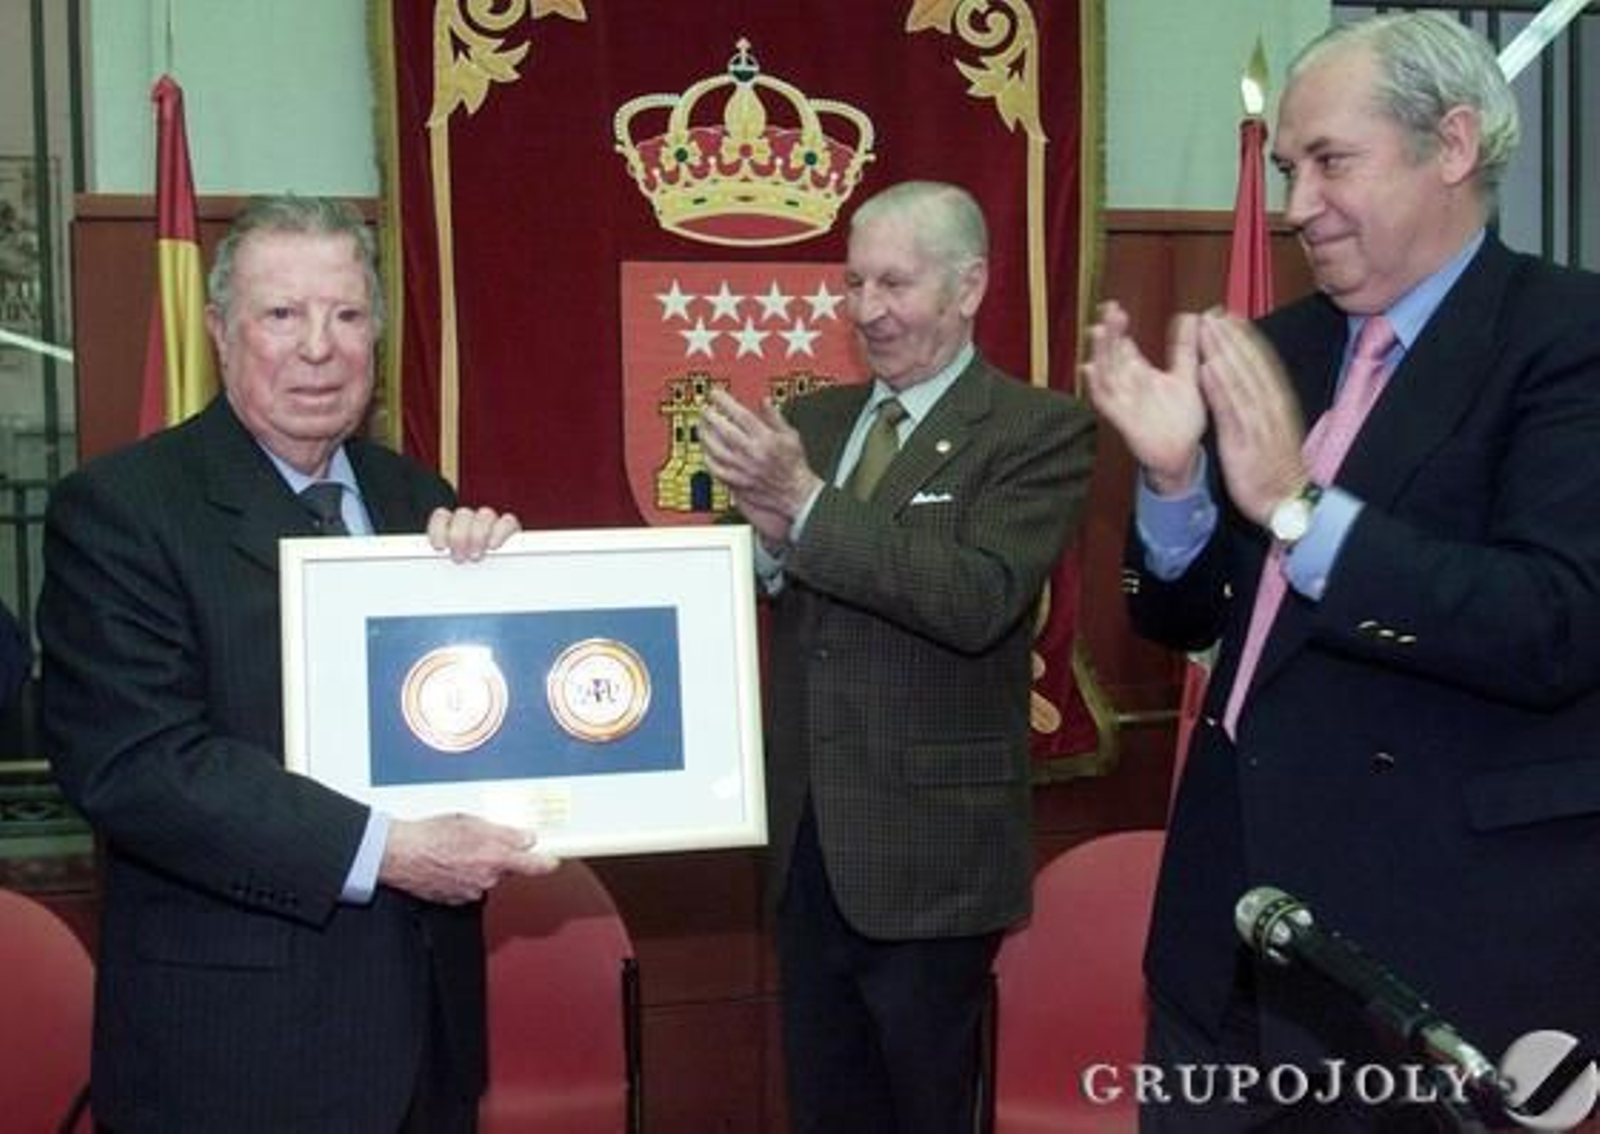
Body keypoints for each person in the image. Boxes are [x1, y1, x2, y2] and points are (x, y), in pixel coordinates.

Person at [1085, 13, 1600, 1129]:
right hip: (1220, 934)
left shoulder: (1568, 338)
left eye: (1331, 163)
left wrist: (1297, 512)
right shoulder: (1281, 347)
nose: (1296, 205)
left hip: (1433, 953)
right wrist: (1173, 485)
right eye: (1285, 169)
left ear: (1451, 146)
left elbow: (1551, 624)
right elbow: (1184, 618)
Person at [39, 195, 556, 1133]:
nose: (319, 346)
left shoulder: (420, 503)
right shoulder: (123, 510)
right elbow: (139, 766)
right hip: (236, 1059)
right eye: (282, 315)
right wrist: (388, 851)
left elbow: (466, 730)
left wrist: (498, 608)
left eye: (348, 314)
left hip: (426, 1047)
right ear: (220, 333)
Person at [699, 180, 1096, 1134]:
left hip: (934, 860)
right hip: (806, 847)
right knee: (826, 1107)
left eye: (894, 284)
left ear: (969, 287)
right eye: (852, 283)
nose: (866, 310)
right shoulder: (819, 423)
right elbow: (740, 574)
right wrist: (755, 540)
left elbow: (976, 598)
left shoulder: (1038, 431)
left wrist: (805, 509)